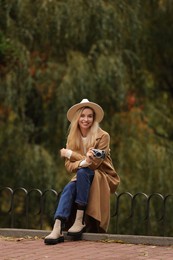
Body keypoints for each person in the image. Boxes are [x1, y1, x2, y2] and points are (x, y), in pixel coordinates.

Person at [44, 98, 120, 245]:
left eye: (90, 116)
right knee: (70, 187)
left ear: (94, 118)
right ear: (77, 118)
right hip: (83, 175)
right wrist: (84, 161)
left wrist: (71, 154)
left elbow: (95, 165)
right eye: (82, 115)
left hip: (102, 176)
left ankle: (79, 220)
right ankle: (57, 226)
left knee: (82, 172)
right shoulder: (72, 138)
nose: (86, 119)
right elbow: (69, 167)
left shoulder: (103, 136)